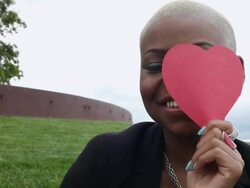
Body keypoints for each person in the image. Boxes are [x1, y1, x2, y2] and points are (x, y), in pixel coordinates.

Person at [60, 1, 250, 187]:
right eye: (155, 66)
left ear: (237, 72)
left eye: (199, 65)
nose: (175, 81)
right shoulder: (105, 157)